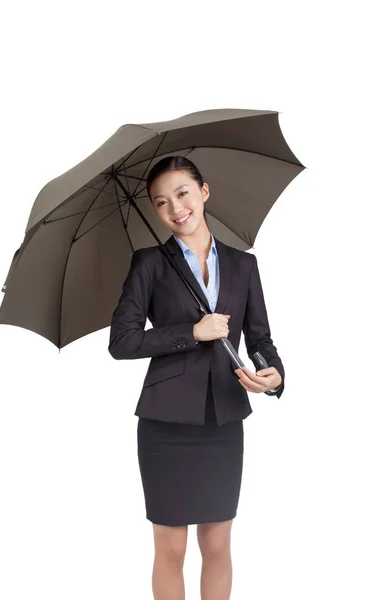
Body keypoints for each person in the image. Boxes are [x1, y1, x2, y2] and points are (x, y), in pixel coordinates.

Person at [108, 155, 284, 600]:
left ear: (203, 192)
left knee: (218, 544)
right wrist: (191, 332)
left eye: (182, 193)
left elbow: (260, 337)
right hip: (165, 425)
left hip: (224, 421)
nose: (175, 209)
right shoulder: (148, 262)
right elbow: (122, 341)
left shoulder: (244, 265)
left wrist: (273, 372)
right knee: (170, 548)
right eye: (161, 202)